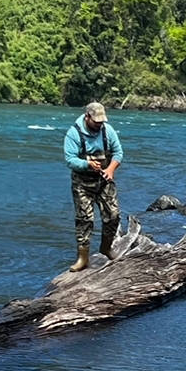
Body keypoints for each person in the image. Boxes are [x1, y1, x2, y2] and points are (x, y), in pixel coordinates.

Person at [64, 101, 124, 272]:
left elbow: (118, 152)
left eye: (101, 121)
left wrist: (110, 169)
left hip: (104, 180)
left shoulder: (108, 131)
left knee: (113, 215)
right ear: (87, 117)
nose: (99, 124)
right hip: (82, 183)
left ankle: (106, 247)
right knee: (85, 220)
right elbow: (70, 160)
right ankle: (83, 258)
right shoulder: (73, 134)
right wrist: (87, 164)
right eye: (95, 121)